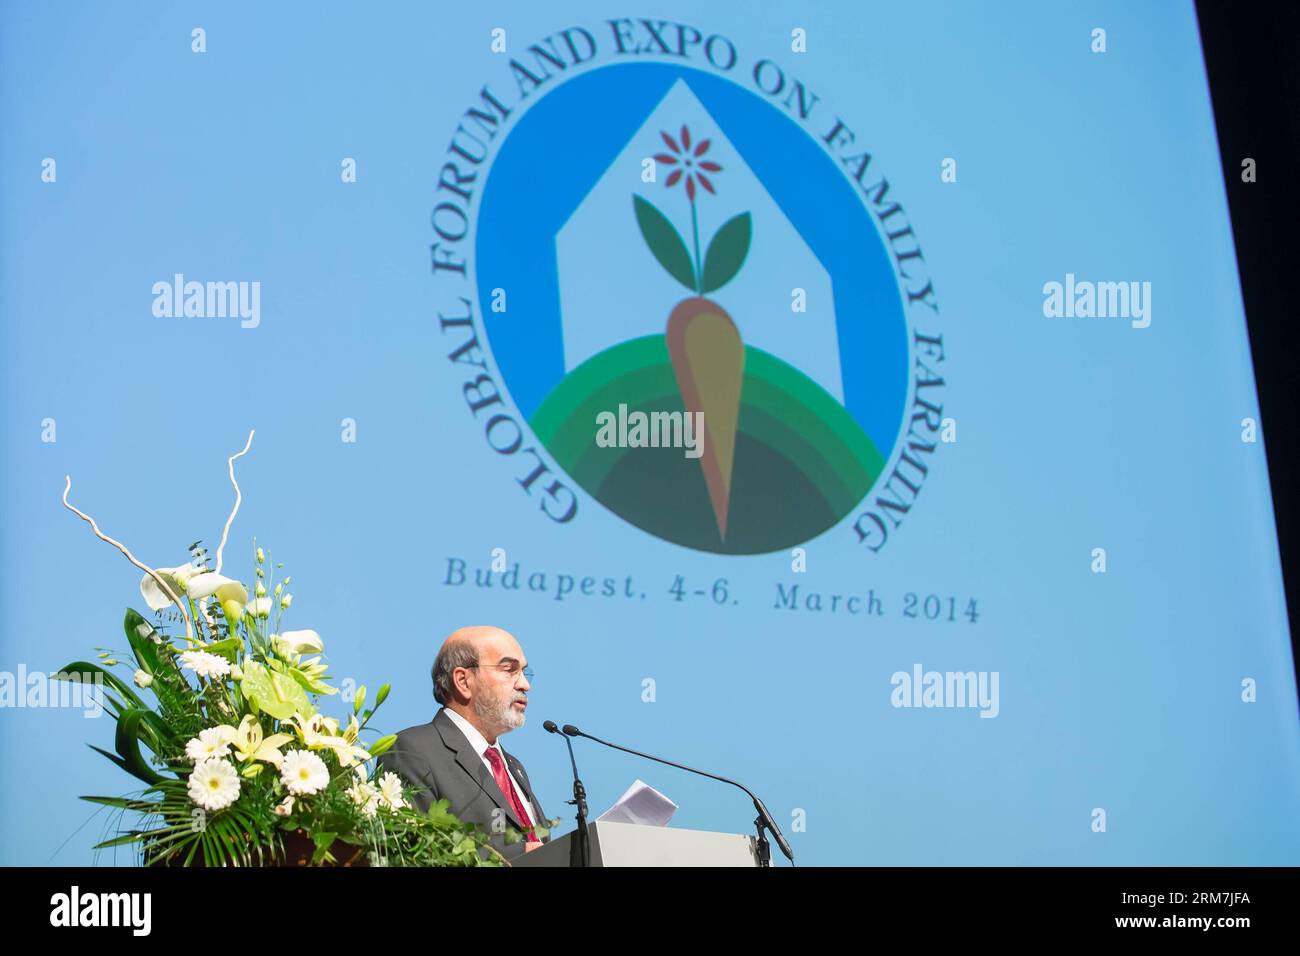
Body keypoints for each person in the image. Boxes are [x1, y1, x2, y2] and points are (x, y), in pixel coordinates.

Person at [380, 625, 548, 862]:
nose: (524, 685)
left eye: (524, 672)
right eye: (509, 669)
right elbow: (413, 852)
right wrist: (519, 855)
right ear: (463, 681)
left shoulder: (514, 767)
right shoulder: (413, 750)